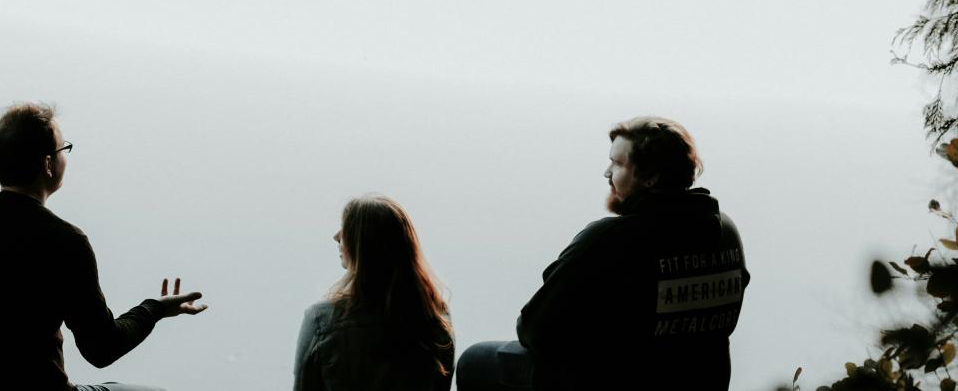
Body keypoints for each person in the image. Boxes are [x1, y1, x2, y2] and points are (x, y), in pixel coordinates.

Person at [0, 103, 208, 391]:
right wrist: (155, 309)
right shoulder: (64, 240)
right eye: (64, 149)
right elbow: (102, 349)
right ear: (48, 164)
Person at [457, 116, 748, 391]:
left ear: (651, 177)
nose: (607, 173)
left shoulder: (610, 238)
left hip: (621, 379)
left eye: (617, 163)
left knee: (475, 360)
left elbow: (534, 330)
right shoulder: (727, 230)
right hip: (702, 379)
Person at [294, 194, 455, 391]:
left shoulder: (321, 320)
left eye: (347, 229)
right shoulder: (435, 318)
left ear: (362, 246)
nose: (337, 236)